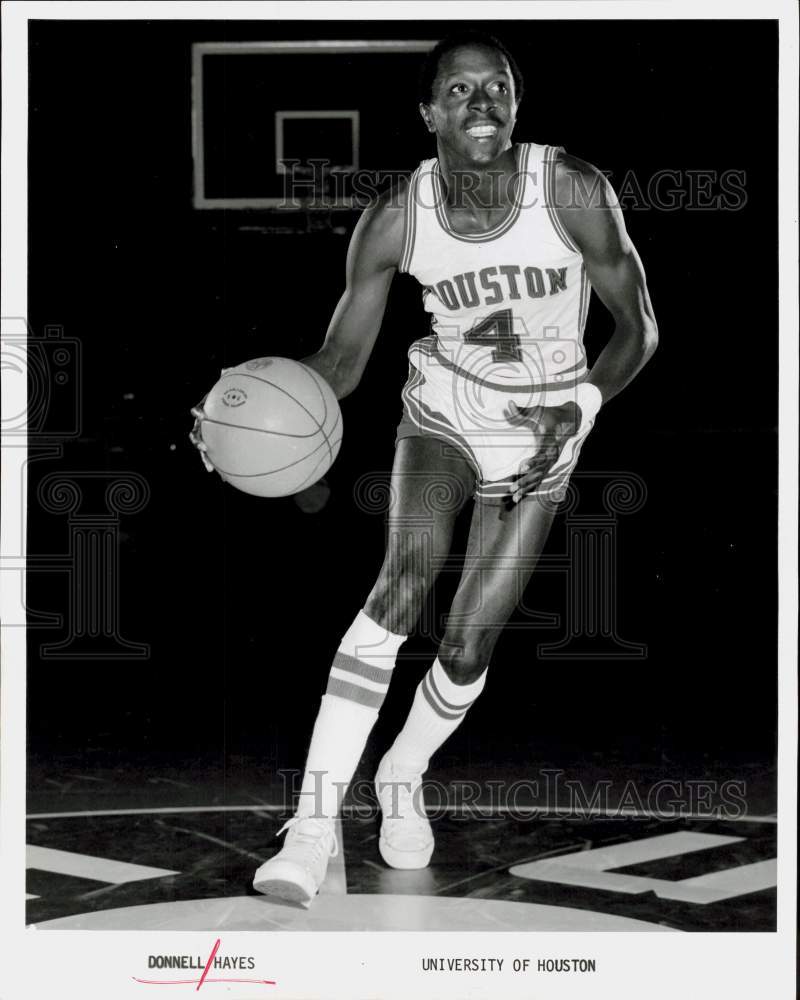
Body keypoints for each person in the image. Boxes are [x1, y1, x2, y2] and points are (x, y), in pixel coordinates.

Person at [193, 31, 658, 907]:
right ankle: (312, 825)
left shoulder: (571, 188)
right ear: (427, 112)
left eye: (497, 88)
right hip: (442, 406)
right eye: (459, 90)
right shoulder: (397, 217)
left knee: (470, 639)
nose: (480, 105)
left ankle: (402, 774)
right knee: (402, 584)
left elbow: (640, 327)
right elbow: (338, 362)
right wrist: (241, 413)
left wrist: (582, 407)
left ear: (516, 103)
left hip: (548, 421)